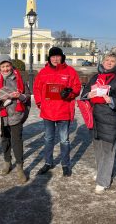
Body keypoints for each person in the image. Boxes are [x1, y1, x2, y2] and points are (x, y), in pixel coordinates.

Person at [81, 53, 116, 193]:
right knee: (98, 150)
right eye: (107, 60)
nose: (109, 63)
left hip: (111, 121)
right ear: (102, 62)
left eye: (112, 61)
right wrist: (88, 96)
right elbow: (84, 94)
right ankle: (101, 173)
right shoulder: (95, 77)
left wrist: (111, 101)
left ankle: (103, 181)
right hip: (95, 120)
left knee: (108, 152)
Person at [33, 47, 81, 177]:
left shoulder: (70, 71)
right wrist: (39, 103)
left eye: (57, 56)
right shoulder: (43, 72)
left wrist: (70, 93)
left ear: (62, 57)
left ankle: (65, 164)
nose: (55, 59)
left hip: (63, 111)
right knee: (48, 138)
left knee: (64, 140)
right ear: (49, 58)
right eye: (53, 56)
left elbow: (77, 87)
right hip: (48, 111)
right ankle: (48, 162)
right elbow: (36, 89)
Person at [0, 55, 31, 184]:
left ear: (11, 66)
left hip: (15, 115)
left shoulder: (19, 79)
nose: (5, 69)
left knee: (17, 141)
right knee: (5, 140)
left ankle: (19, 167)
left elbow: (27, 96)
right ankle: (7, 162)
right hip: (1, 115)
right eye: (3, 67)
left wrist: (20, 96)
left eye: (7, 66)